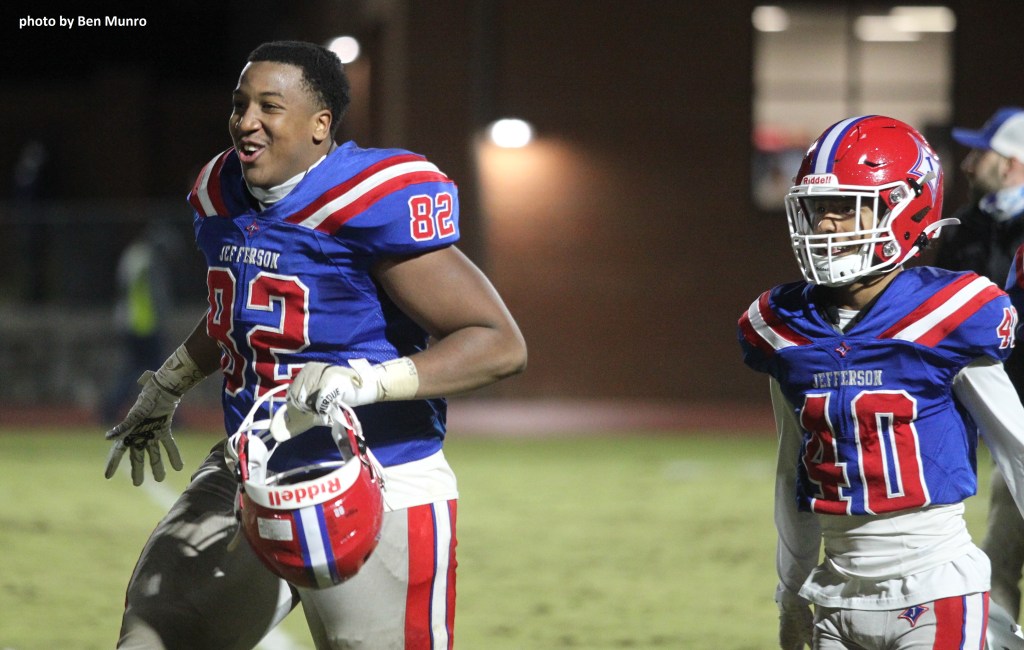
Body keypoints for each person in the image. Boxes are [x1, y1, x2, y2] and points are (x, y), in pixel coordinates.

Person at [103, 40, 527, 649]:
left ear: (320, 125)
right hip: (251, 467)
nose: (246, 121)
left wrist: (364, 381)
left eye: (269, 107)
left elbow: (498, 343)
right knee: (153, 637)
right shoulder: (221, 192)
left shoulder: (367, 198)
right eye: (241, 103)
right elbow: (239, 313)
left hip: (380, 477)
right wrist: (168, 382)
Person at [737, 115, 1024, 649]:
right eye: (819, 208)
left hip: (935, 586)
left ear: (906, 207)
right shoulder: (783, 325)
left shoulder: (951, 310)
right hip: (835, 592)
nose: (826, 225)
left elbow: (1018, 449)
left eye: (847, 207)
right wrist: (792, 589)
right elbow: (791, 467)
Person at [934, 107, 1024, 622]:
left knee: (998, 557)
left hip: (1019, 409)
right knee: (996, 558)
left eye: (981, 151)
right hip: (989, 406)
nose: (969, 164)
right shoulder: (965, 228)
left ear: (1011, 163)